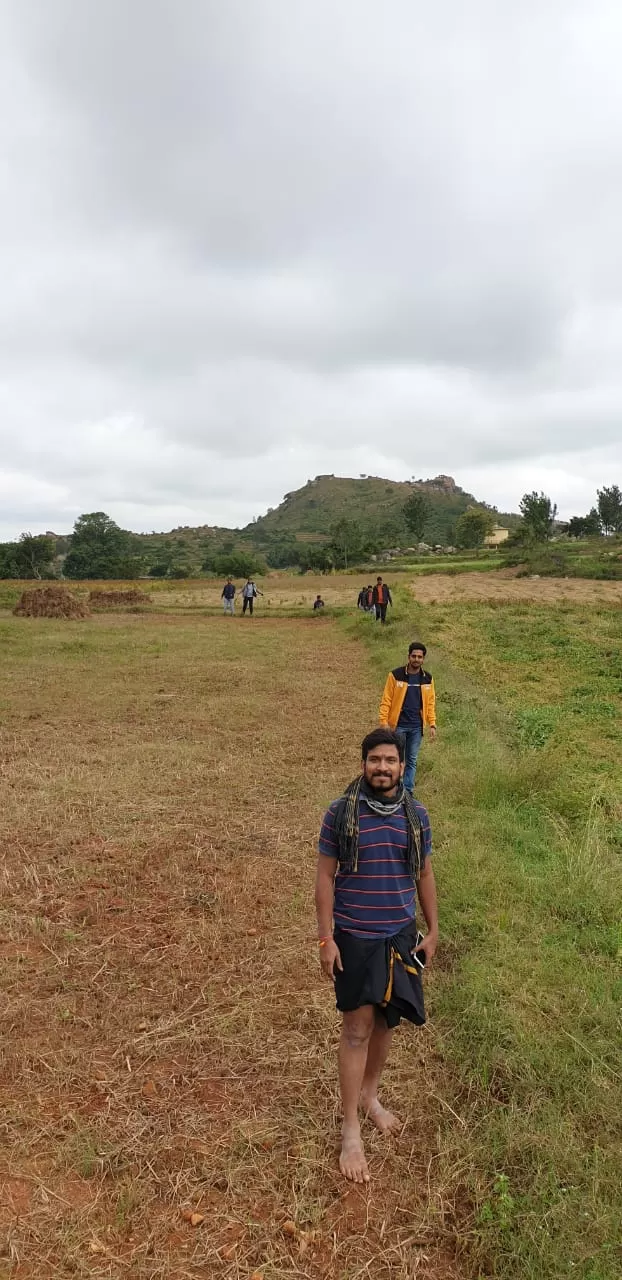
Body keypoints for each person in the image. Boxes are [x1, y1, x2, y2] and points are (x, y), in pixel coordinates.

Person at [316, 728, 437, 1183]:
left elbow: (424, 872)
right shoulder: (339, 814)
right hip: (355, 937)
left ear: (403, 767)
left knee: (387, 1020)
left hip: (401, 936)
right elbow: (325, 879)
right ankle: (350, 1128)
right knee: (356, 1030)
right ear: (363, 764)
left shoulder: (416, 815)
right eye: (374, 761)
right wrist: (326, 939)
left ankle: (370, 1097)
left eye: (390, 761)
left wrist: (434, 929)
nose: (382, 768)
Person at [379, 643, 437, 793]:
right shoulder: (395, 675)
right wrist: (384, 722)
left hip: (417, 727)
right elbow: (386, 700)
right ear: (408, 657)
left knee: (411, 760)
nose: (416, 659)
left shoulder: (428, 679)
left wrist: (432, 724)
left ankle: (407, 792)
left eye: (420, 657)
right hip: (398, 725)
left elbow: (430, 703)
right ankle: (393, 789)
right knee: (397, 758)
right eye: (414, 656)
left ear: (423, 659)